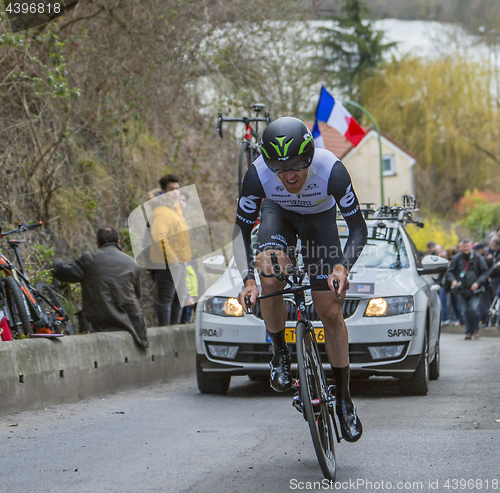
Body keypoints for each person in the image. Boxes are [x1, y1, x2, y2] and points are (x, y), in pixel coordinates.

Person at [233, 117, 367, 443]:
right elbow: (240, 231)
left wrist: (342, 268)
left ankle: (345, 400)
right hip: (277, 216)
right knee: (269, 272)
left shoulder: (332, 170)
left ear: (309, 157)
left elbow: (359, 229)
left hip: (320, 222)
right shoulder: (257, 175)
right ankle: (279, 354)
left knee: (331, 311)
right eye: (279, 168)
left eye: (295, 165)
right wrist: (247, 279)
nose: (288, 175)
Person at [53, 226, 148, 348]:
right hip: (128, 322)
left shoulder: (90, 259)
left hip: (97, 323)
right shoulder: (131, 263)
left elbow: (63, 272)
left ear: (97, 242)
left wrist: (57, 264)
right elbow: (137, 294)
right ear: (118, 241)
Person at [149, 174, 193, 326]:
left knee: (178, 298)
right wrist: (171, 257)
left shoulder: (175, 210)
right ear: (163, 191)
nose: (175, 192)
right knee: (166, 300)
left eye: (177, 189)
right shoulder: (161, 211)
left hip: (179, 261)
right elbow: (158, 235)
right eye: (171, 189)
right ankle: (165, 333)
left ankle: (174, 332)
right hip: (167, 263)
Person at [446, 238, 489, 339]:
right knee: (464, 311)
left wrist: (478, 283)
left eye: (468, 246)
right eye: (464, 247)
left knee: (473, 309)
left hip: (474, 290)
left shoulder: (477, 258)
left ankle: (476, 330)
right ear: (461, 247)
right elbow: (449, 271)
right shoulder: (457, 258)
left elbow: (485, 272)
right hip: (461, 290)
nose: (466, 248)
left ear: (471, 247)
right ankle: (468, 331)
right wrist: (453, 280)